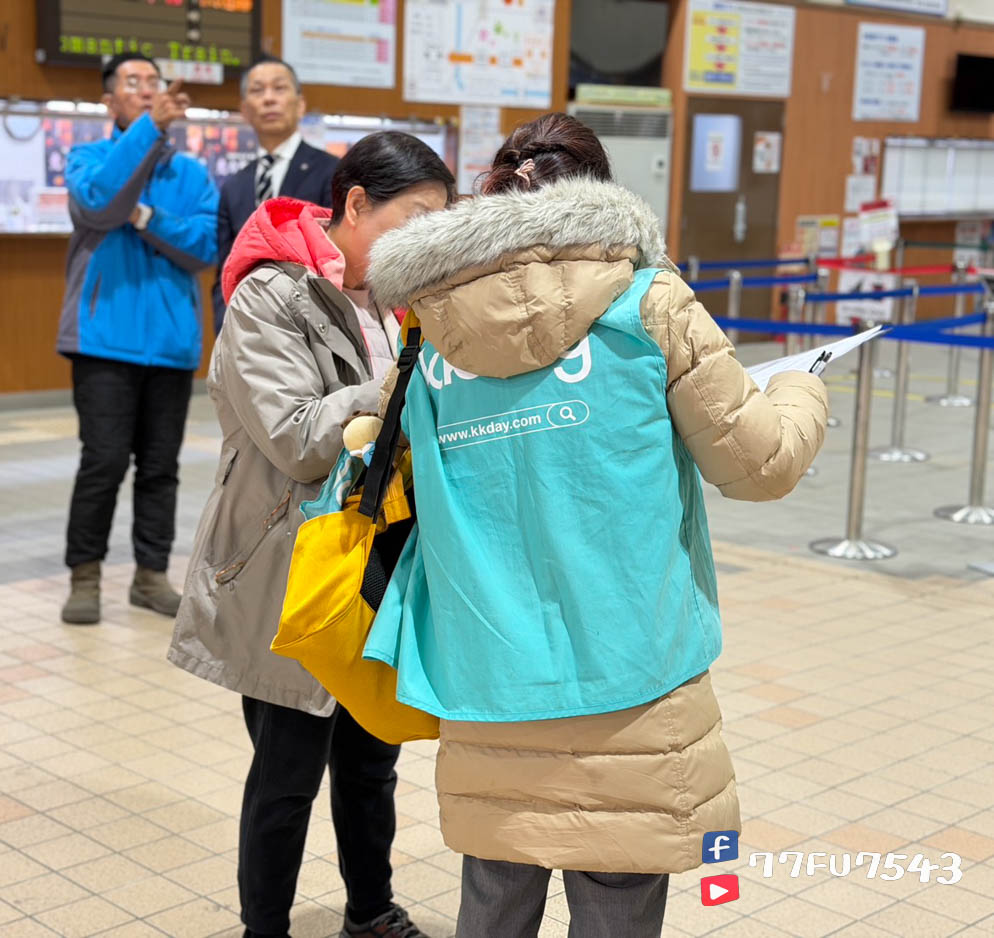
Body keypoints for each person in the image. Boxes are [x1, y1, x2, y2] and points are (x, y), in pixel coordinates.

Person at [364, 113, 830, 938]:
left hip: (488, 674)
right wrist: (802, 390)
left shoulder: (434, 337)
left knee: (494, 897)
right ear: (602, 193)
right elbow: (759, 467)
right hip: (632, 678)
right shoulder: (648, 302)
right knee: (617, 901)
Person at [168, 132, 455, 938]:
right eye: (416, 218)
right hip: (289, 563)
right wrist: (398, 382)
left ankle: (371, 910)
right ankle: (267, 928)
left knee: (371, 764)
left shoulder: (398, 302)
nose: (428, 238)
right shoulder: (269, 296)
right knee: (288, 771)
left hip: (374, 560)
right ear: (356, 204)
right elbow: (295, 437)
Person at [56, 53, 219, 625]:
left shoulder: (193, 174)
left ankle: (150, 575)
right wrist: (149, 132)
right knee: (102, 461)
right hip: (102, 340)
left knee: (160, 466)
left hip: (172, 344)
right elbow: (101, 204)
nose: (147, 90)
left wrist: (149, 218)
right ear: (109, 102)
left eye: (153, 82)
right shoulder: (89, 158)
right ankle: (85, 576)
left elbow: (203, 247)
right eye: (134, 83)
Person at [212, 57, 338, 331]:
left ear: (300, 104)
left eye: (279, 88)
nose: (269, 99)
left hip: (314, 329)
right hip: (244, 330)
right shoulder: (234, 185)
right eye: (257, 91)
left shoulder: (332, 172)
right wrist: (225, 328)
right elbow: (225, 268)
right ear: (245, 110)